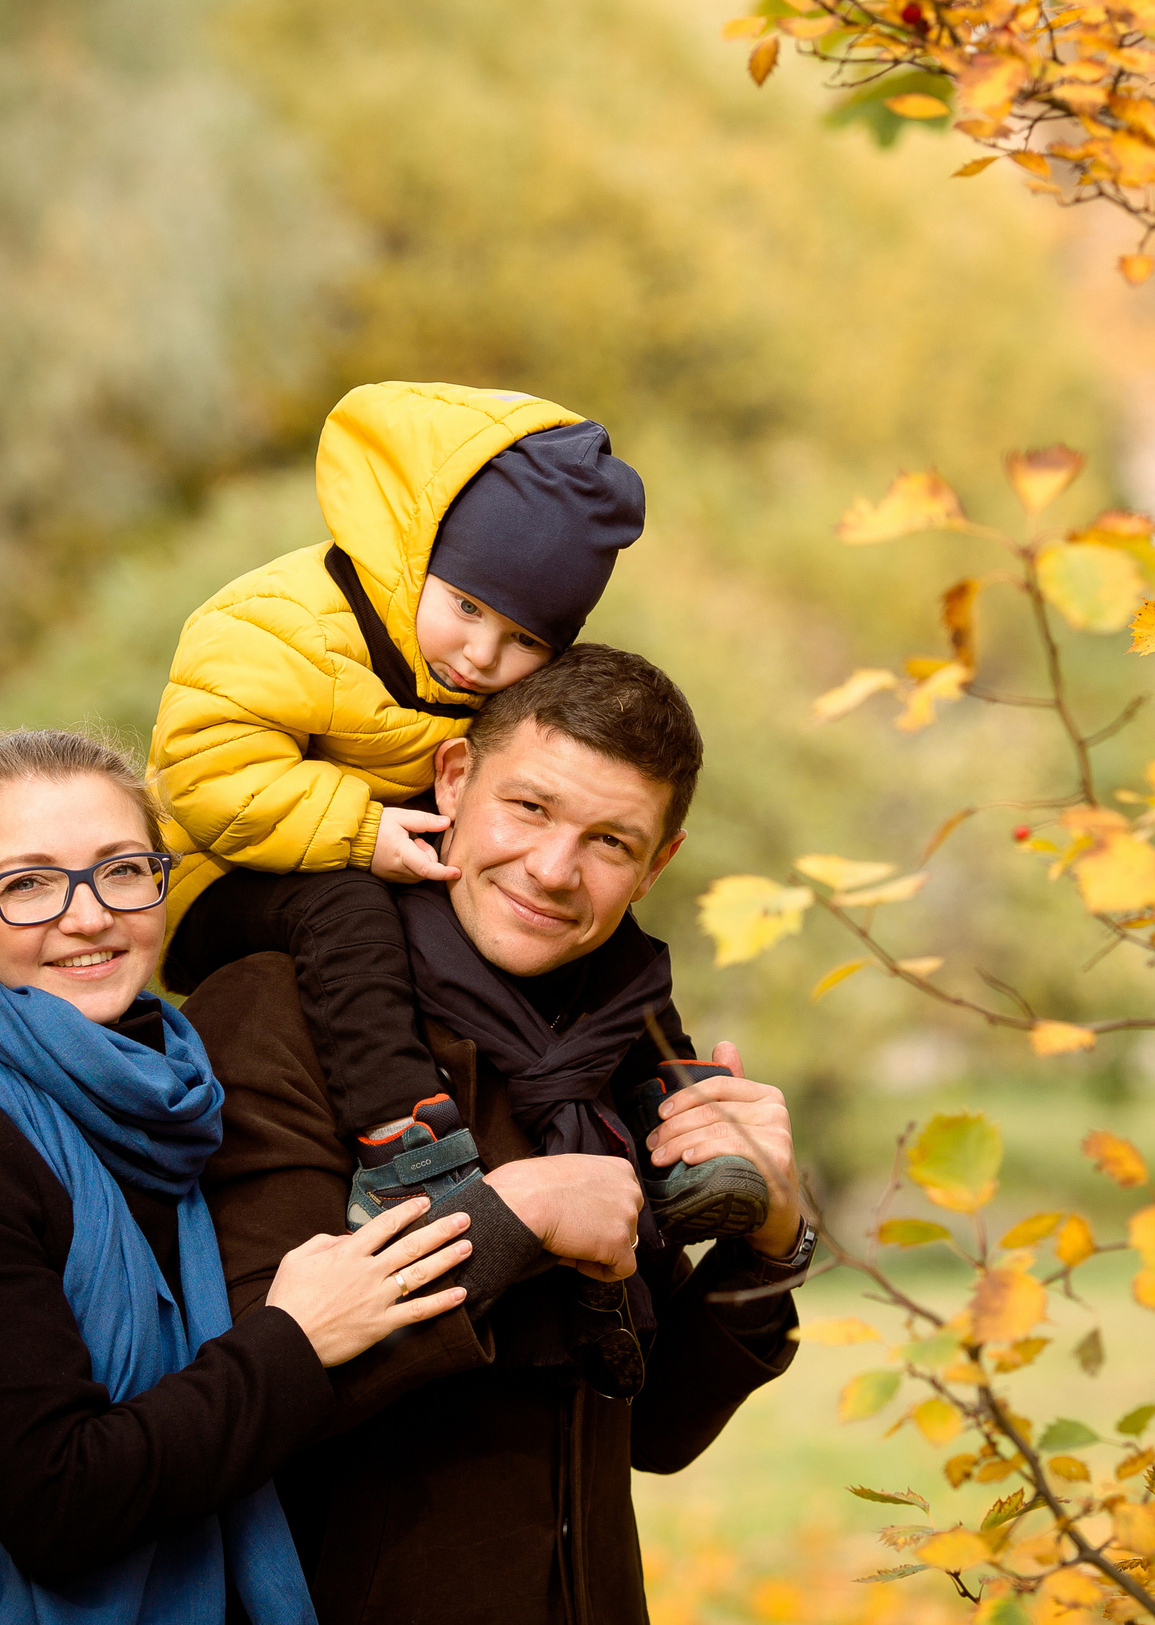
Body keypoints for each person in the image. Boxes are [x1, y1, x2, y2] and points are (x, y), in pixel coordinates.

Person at [182, 649, 816, 1625]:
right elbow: (240, 1398)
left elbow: (653, 1425)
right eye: (530, 808)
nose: (554, 871)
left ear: (659, 862)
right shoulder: (279, 1012)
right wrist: (509, 1224)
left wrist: (770, 1236)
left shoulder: (619, 1042)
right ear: (452, 779)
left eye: (610, 841)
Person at [0, 728, 476, 1625]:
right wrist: (295, 1337)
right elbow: (59, 1500)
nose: (90, 914)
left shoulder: (177, 1100)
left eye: (122, 868)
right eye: (26, 884)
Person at [150, 383, 765, 1246]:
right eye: (468, 608)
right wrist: (363, 834)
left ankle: (678, 1109)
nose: (484, 654)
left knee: (591, 915)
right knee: (350, 907)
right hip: (226, 870)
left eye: (524, 640)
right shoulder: (282, 623)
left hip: (373, 836)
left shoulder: (460, 669)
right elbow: (206, 771)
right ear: (416, 555)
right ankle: (405, 1146)